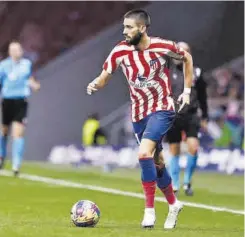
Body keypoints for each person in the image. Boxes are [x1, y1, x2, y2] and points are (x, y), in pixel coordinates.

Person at [86, 9, 193, 229]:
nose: (124, 31)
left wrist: (187, 91)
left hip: (163, 108)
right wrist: (95, 83)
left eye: (129, 27)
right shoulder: (120, 51)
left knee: (144, 153)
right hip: (138, 114)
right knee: (157, 162)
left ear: (142, 28)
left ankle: (149, 211)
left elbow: (187, 58)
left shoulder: (162, 46)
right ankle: (173, 204)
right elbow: (106, 74)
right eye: (124, 27)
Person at [166, 42, 208, 196]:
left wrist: (205, 116)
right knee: (174, 150)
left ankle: (187, 182)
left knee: (193, 147)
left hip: (191, 115)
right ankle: (175, 184)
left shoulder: (196, 73)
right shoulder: (168, 72)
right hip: (173, 116)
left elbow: (203, 97)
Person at [0, 41, 40, 176]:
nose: (17, 51)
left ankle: (16, 164)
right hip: (7, 101)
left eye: (18, 49)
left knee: (18, 133)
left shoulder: (26, 64)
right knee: (3, 131)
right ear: (10, 52)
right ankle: (1, 156)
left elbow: (29, 78)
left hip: (20, 102)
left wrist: (34, 84)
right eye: (14, 49)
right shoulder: (3, 66)